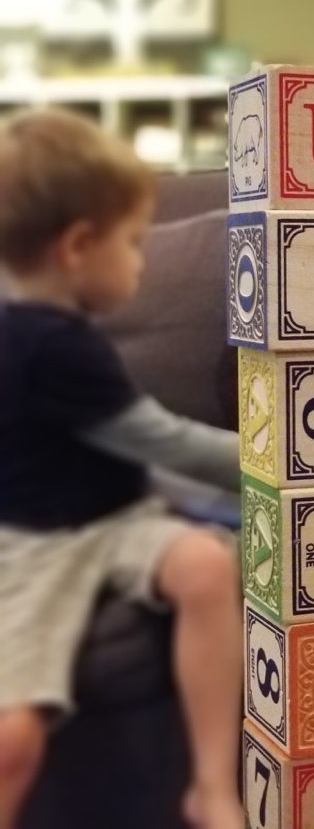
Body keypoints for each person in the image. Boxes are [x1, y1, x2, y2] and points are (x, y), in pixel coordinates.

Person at [0, 108, 244, 829]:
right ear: (78, 246)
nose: (142, 262)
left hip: (117, 518)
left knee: (205, 568)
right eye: (134, 242)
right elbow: (163, 441)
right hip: (36, 543)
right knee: (14, 737)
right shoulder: (51, 346)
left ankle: (210, 786)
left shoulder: (50, 329)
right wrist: (283, 462)